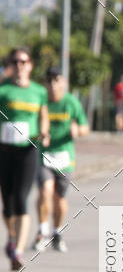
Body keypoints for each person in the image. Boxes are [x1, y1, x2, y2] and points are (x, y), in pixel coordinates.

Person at [0, 47, 49, 270]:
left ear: (30, 65)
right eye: (16, 62)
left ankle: (18, 251)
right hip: (5, 149)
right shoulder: (4, 89)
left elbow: (44, 116)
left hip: (28, 149)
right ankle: (11, 238)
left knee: (22, 197)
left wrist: (45, 133)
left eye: (23, 61)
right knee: (8, 201)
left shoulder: (38, 91)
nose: (19, 65)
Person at [33, 68, 89, 253]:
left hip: (65, 158)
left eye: (56, 80)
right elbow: (32, 125)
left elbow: (84, 127)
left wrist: (77, 131)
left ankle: (57, 232)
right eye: (49, 81)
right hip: (44, 156)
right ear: (45, 83)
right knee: (45, 191)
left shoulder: (71, 103)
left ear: (63, 82)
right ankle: (42, 231)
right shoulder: (41, 101)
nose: (53, 84)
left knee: (59, 198)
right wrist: (40, 135)